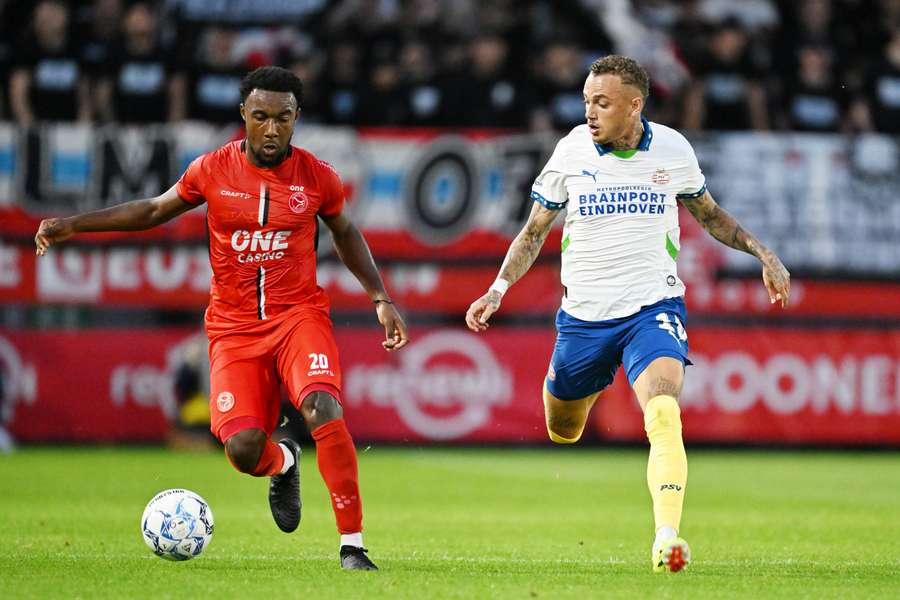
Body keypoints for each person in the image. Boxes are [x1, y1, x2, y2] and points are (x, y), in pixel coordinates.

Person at [35, 66, 409, 571]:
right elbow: (151, 210)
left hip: (298, 316)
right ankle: (284, 461)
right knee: (241, 449)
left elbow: (345, 232)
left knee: (322, 407)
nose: (271, 129)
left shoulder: (318, 177)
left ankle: (353, 545)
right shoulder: (211, 170)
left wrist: (380, 297)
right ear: (243, 116)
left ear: (297, 118)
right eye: (260, 116)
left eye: (283, 117)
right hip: (233, 329)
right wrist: (73, 225)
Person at [465, 55, 790, 573]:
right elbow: (533, 232)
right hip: (584, 318)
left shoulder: (673, 150)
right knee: (562, 428)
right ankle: (590, 383)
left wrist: (763, 253)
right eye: (587, 101)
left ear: (634, 105)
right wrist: (497, 289)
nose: (589, 112)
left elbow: (710, 215)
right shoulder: (571, 150)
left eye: (602, 102)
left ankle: (667, 538)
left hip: (652, 306)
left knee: (663, 410)